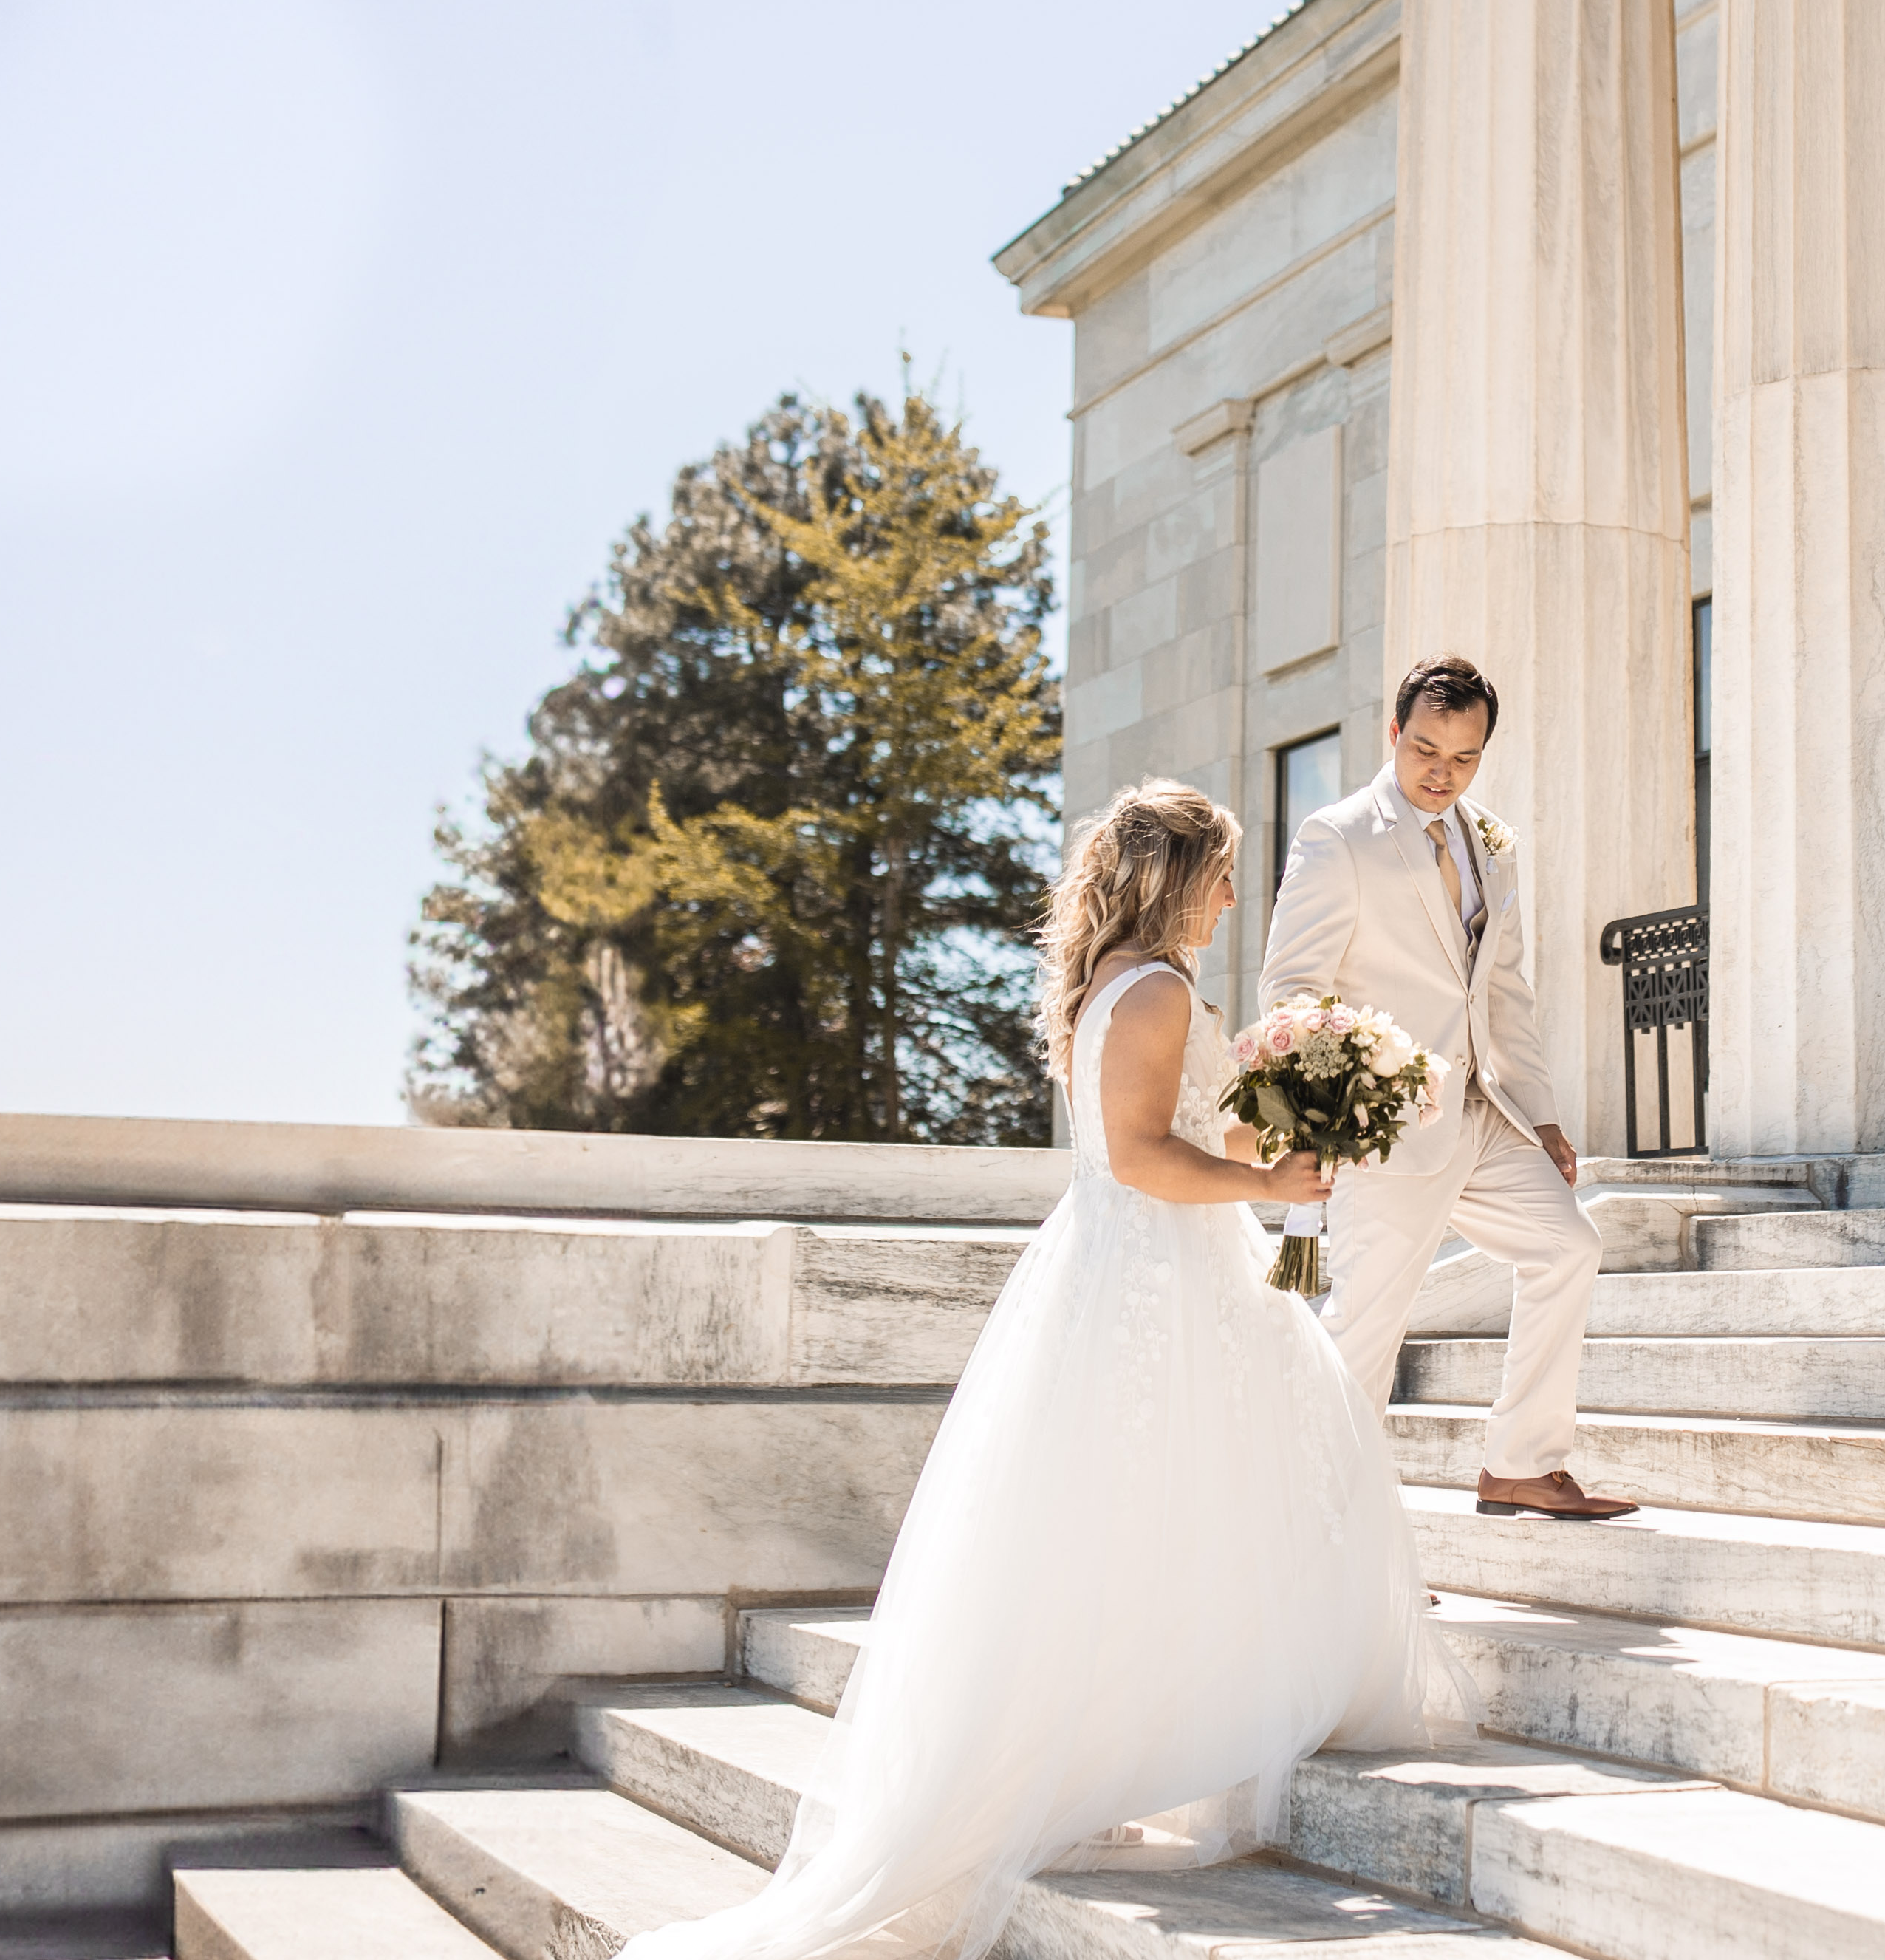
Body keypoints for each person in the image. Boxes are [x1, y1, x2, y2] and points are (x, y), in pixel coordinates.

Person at [625, 780, 1466, 1960]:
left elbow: (1188, 1124)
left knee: (1149, 1503)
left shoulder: (1113, 982)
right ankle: (1125, 1745)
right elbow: (1139, 1155)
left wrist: (1288, 1131)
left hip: (1138, 1269)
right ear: (1182, 877)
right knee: (1173, 1494)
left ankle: (1149, 1731)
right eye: (1223, 871)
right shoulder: (1159, 987)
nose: (1234, 893)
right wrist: (1270, 1188)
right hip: (1156, 1277)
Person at [1256, 656, 1635, 1522]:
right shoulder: (1337, 836)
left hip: (1483, 1114)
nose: (1440, 772)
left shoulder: (1493, 842)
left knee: (1567, 1247)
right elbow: (1291, 990)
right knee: (1363, 1332)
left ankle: (1521, 1463)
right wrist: (1337, 1110)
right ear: (1394, 735)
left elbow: (1503, 991)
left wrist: (1539, 1114)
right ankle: (1324, 1534)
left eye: (1462, 758)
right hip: (1384, 1128)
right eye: (1425, 749)